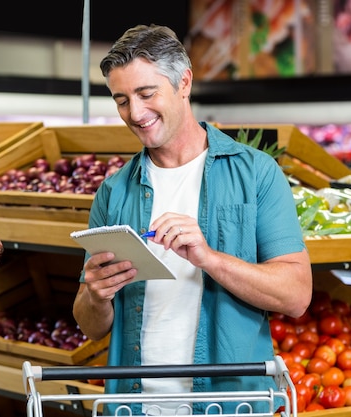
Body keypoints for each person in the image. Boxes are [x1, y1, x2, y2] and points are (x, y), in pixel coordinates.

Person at [72, 24, 313, 415]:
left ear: (184, 83)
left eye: (147, 93)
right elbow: (90, 324)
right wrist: (95, 295)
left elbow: (297, 295)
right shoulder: (113, 191)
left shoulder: (256, 174)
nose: (135, 113)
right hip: (133, 406)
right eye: (121, 100)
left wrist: (208, 258)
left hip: (228, 406)